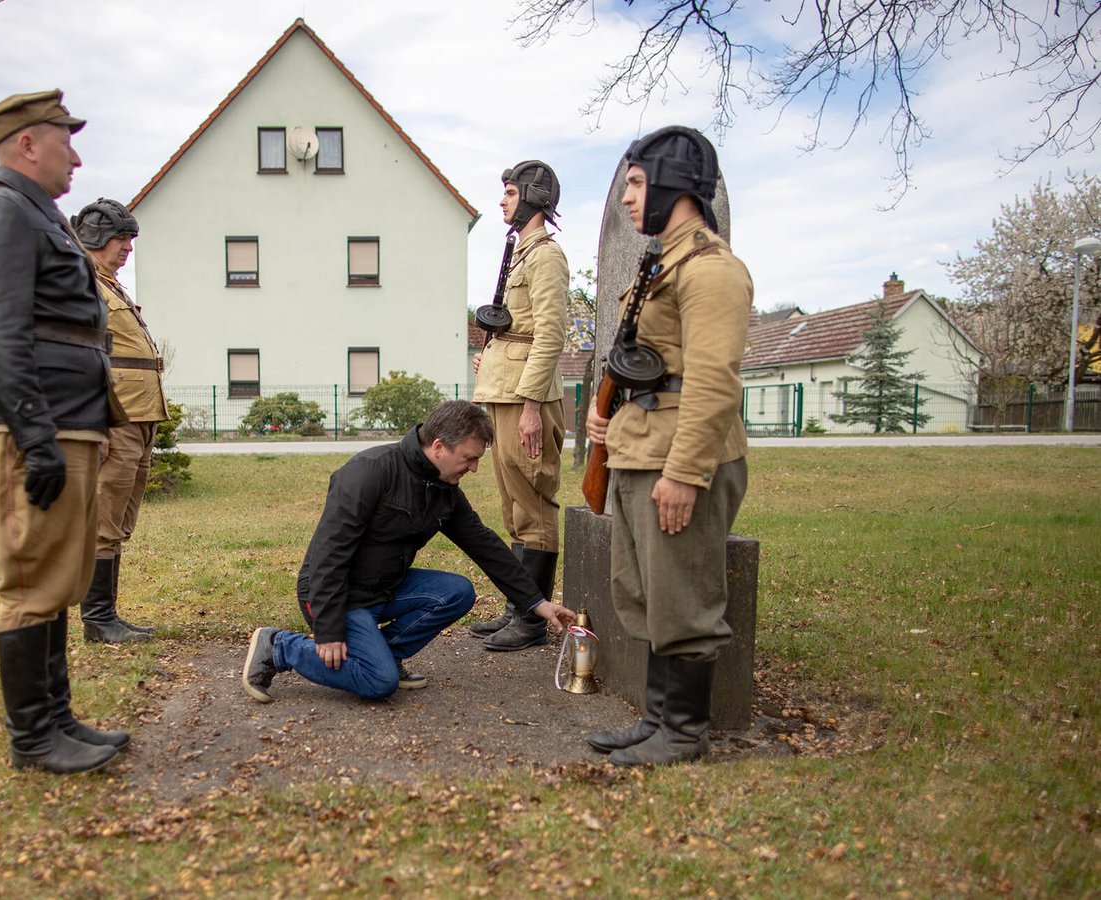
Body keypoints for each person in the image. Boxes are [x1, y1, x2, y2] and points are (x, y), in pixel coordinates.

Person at [0, 90, 127, 774]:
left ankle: (57, 719)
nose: (75, 157)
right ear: (27, 144)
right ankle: (33, 738)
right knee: (31, 581)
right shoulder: (2, 215)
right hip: (25, 427)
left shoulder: (37, 216)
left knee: (56, 579)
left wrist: (92, 425)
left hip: (64, 423)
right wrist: (35, 436)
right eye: (65, 141)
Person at [583, 127, 752, 767]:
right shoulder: (664, 262)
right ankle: (657, 719)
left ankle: (683, 733)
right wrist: (610, 418)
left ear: (672, 183)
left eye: (636, 183)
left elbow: (712, 380)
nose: (628, 198)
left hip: (677, 457)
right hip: (640, 449)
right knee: (647, 593)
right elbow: (647, 362)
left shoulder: (710, 269)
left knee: (682, 598)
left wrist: (684, 472)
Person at [242, 400, 578, 702]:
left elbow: (483, 544)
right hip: (339, 596)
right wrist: (329, 628)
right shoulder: (370, 471)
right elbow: (329, 554)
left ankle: (385, 656)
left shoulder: (444, 488)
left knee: (457, 592)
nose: (474, 468)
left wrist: (537, 602)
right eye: (470, 458)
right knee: (379, 682)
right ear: (439, 447)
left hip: (385, 588)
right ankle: (279, 647)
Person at [469, 160, 570, 652]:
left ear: (533, 197)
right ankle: (520, 605)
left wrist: (531, 405)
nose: (503, 201)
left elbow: (550, 335)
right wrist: (489, 357)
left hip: (527, 396)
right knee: (513, 506)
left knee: (533, 502)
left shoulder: (546, 256)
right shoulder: (520, 253)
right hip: (505, 389)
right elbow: (516, 328)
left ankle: (532, 622)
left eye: (510, 192)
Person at [71, 199, 168, 644]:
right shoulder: (79, 284)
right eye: (121, 238)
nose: (128, 247)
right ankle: (97, 620)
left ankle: (107, 614)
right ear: (94, 237)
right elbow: (76, 359)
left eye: (130, 239)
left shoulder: (108, 285)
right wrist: (94, 424)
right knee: (103, 520)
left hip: (138, 417)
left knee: (119, 521)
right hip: (115, 419)